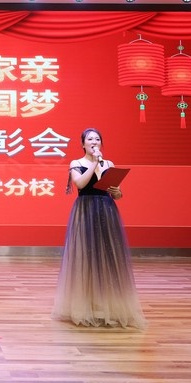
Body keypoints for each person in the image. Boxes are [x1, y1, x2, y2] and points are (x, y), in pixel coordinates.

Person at [51, 127, 146, 329]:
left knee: (108, 259)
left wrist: (117, 191)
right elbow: (80, 184)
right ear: (83, 144)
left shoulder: (109, 164)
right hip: (86, 211)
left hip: (106, 211)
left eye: (97, 139)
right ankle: (86, 306)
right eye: (90, 139)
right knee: (88, 258)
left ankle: (108, 307)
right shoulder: (76, 163)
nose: (94, 142)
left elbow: (118, 195)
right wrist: (94, 163)